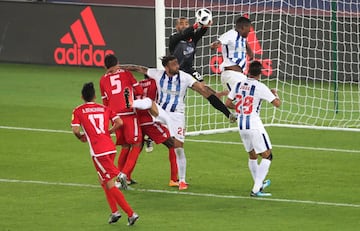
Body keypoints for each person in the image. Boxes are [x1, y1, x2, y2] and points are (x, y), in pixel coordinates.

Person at [119, 55, 236, 190]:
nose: (177, 66)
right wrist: (118, 67)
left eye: (177, 63)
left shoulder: (185, 77)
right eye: (173, 64)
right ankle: (132, 104)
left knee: (178, 148)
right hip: (161, 112)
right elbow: (137, 68)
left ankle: (182, 180)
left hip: (176, 116)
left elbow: (204, 91)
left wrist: (226, 112)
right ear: (166, 67)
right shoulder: (157, 74)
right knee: (149, 103)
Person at [71, 82, 139, 225]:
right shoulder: (104, 108)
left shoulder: (78, 110)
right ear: (95, 96)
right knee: (103, 181)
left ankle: (131, 213)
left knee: (110, 183)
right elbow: (120, 122)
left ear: (82, 96)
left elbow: (76, 130)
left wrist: (81, 137)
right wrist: (110, 132)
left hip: (98, 152)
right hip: (110, 147)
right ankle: (114, 212)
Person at [225, 61, 281, 197]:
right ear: (260, 73)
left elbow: (227, 103)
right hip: (254, 124)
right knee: (268, 156)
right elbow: (277, 104)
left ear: (249, 70)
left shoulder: (238, 84)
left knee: (252, 155)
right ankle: (256, 189)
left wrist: (239, 108)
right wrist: (275, 93)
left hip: (241, 124)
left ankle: (258, 184)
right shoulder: (260, 87)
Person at [100, 54, 155, 189]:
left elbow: (105, 102)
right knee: (137, 144)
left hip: (115, 116)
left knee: (125, 146)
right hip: (129, 113)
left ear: (105, 66)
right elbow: (139, 90)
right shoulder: (126, 74)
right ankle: (124, 175)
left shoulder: (102, 80)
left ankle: (122, 178)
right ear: (117, 63)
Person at [137, 75, 179, 186]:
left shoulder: (138, 83)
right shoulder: (156, 82)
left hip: (137, 120)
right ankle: (174, 179)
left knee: (136, 149)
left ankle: (124, 176)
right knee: (172, 144)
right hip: (150, 120)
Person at [210, 16, 254, 91]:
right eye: (248, 28)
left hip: (239, 76)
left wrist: (245, 43)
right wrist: (215, 44)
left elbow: (251, 55)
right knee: (242, 100)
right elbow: (217, 43)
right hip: (231, 75)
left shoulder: (242, 38)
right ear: (243, 27)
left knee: (246, 100)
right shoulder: (231, 34)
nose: (249, 31)